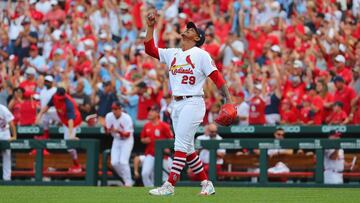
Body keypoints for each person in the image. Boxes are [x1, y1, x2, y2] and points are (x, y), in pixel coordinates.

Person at [144, 10, 233, 196]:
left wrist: (229, 100)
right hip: (176, 103)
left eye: (192, 29)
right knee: (189, 149)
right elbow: (150, 49)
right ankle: (206, 183)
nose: (187, 29)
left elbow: (217, 78)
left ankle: (169, 185)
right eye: (188, 27)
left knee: (180, 144)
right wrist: (150, 27)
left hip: (193, 102)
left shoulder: (201, 54)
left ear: (198, 37)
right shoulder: (173, 53)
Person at [36, 87, 83, 172]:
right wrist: (39, 115)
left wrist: (71, 135)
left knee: (69, 145)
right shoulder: (54, 96)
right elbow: (47, 107)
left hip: (73, 121)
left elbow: (70, 121)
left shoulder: (68, 103)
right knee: (46, 114)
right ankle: (45, 135)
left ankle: (77, 166)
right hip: (61, 116)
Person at [140, 105, 173, 187]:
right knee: (145, 173)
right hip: (150, 154)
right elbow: (142, 139)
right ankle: (150, 189)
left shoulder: (164, 126)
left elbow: (171, 140)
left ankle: (165, 191)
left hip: (163, 156)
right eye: (149, 111)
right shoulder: (146, 125)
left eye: (152, 111)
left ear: (157, 113)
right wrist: (145, 140)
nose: (149, 113)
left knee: (165, 177)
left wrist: (167, 148)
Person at [105, 101, 134, 187]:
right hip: (116, 140)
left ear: (120, 109)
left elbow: (128, 134)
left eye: (116, 109)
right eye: (113, 109)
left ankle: (128, 183)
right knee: (114, 163)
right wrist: (107, 129)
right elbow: (107, 131)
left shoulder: (127, 118)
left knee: (123, 162)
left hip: (127, 140)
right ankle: (127, 179)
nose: (114, 111)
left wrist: (117, 131)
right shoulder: (109, 116)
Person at [0, 104, 17, 180]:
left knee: (7, 155)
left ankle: (7, 178)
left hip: (4, 133)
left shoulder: (3, 109)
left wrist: (14, 136)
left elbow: (11, 123)